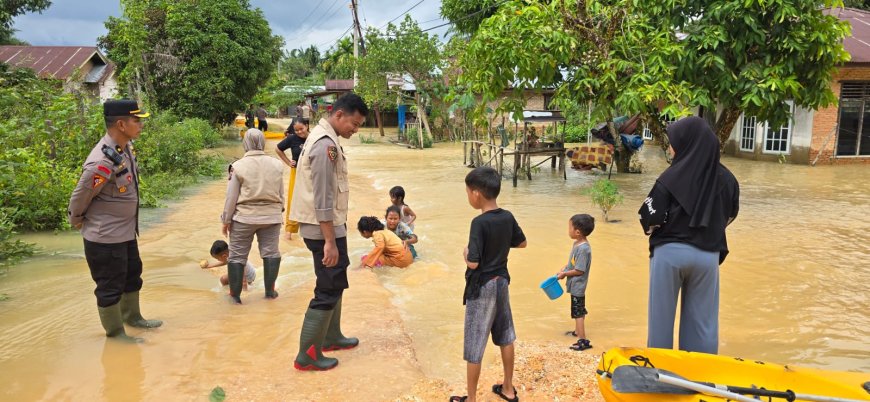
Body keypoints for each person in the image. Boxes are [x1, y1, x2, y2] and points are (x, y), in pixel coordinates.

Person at [638, 116, 739, 354]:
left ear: (687, 143)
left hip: (669, 255)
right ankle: (699, 377)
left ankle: (660, 374)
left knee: (660, 321)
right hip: (708, 257)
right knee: (702, 324)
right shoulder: (728, 180)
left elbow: (648, 218)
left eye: (674, 142)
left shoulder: (669, 177)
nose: (671, 147)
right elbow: (730, 216)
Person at [68, 99, 162, 343]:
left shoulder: (124, 148)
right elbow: (81, 196)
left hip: (126, 232)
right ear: (121, 124)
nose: (140, 124)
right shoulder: (101, 161)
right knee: (110, 285)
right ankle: (116, 333)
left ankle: (133, 317)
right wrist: (77, 219)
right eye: (136, 120)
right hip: (106, 237)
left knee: (132, 274)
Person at [289, 92, 368, 371]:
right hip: (324, 230)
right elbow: (322, 198)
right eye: (354, 124)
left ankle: (331, 336)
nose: (355, 130)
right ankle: (307, 355)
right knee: (327, 287)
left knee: (336, 281)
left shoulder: (329, 139)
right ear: (338, 115)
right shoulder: (325, 146)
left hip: (331, 227)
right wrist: (330, 242)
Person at [451, 166, 526, 402]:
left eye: (467, 192)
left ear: (476, 194)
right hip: (502, 281)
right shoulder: (507, 216)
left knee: (474, 343)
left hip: (482, 286)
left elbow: (473, 263)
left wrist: (465, 253)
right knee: (506, 335)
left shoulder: (479, 222)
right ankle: (508, 389)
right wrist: (500, 245)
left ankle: (471, 399)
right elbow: (522, 243)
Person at [221, 128, 284, 304]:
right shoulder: (277, 164)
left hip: (244, 218)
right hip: (272, 216)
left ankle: (235, 296)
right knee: (271, 253)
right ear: (262, 142)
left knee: (237, 256)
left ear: (245, 143)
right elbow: (281, 193)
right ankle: (270, 293)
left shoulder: (238, 166)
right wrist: (280, 211)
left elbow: (231, 197)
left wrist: (226, 220)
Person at [556, 214, 595, 352]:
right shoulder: (576, 244)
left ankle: (583, 340)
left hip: (578, 285)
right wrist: (565, 268)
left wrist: (565, 274)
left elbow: (579, 270)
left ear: (577, 232)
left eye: (569, 227)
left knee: (577, 312)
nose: (568, 230)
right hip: (574, 284)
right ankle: (577, 331)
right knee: (578, 309)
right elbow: (573, 263)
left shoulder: (584, 249)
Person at [276, 118, 310, 240]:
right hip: (296, 172)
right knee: (293, 200)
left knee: (311, 201)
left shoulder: (314, 138)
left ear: (307, 126)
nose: (299, 132)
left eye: (301, 129)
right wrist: (288, 162)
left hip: (311, 174)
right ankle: (289, 231)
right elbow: (278, 149)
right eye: (296, 130)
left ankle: (310, 228)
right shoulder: (292, 139)